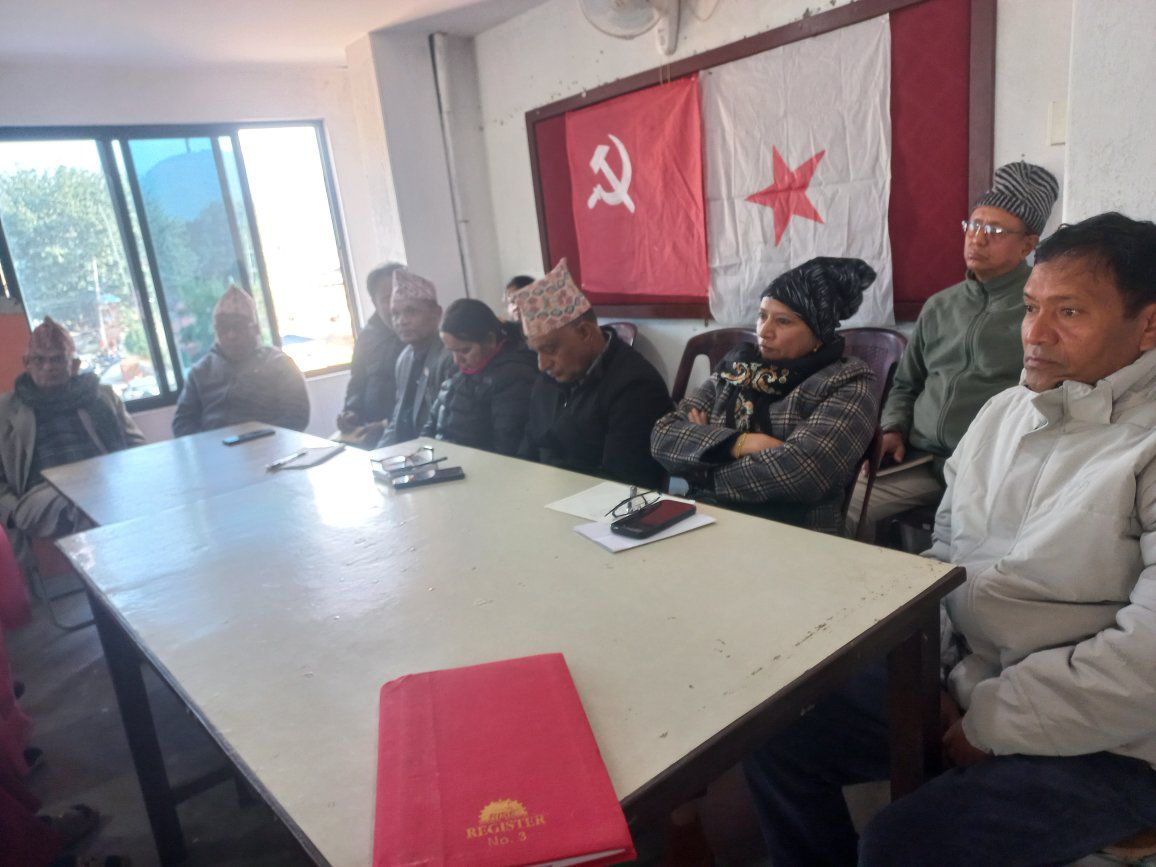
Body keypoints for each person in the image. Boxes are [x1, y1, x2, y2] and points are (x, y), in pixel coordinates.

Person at [744, 213, 1156, 866]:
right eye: (1030, 308)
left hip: (1112, 737)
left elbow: (1146, 663)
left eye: (1070, 312)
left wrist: (994, 719)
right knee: (776, 732)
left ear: (1148, 325)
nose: (1035, 334)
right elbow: (944, 556)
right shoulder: (1004, 413)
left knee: (901, 846)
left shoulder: (1143, 445)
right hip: (969, 681)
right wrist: (930, 669)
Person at [852, 161, 1059, 540]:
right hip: (919, 459)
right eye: (973, 225)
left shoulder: (1038, 310)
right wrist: (893, 427)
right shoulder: (940, 305)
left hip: (990, 467)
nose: (977, 239)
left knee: (972, 546)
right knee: (847, 506)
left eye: (994, 231)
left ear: (1029, 245)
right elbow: (906, 384)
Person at [651, 258, 878, 534]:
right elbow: (662, 436)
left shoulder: (848, 382)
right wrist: (742, 443)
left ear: (818, 333)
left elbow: (799, 474)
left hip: (794, 533)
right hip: (708, 519)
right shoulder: (739, 367)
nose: (764, 331)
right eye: (762, 315)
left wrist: (701, 461)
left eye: (783, 321)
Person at [513, 259, 671, 488]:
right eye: (536, 352)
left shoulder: (636, 387)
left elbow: (625, 485)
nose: (542, 364)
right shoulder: (549, 379)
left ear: (585, 333)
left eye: (550, 349)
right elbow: (528, 451)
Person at [0, 319, 144, 562]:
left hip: (102, 481)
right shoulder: (5, 410)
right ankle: (111, 578)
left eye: (57, 359)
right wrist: (12, 512)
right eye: (39, 360)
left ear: (74, 364)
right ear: (26, 363)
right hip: (40, 495)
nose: (48, 367)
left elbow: (137, 446)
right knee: (83, 504)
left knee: (98, 500)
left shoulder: (102, 397)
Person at [172, 285, 309, 437]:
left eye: (238, 327)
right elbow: (182, 423)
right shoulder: (200, 373)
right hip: (215, 448)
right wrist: (210, 444)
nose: (231, 335)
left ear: (255, 329)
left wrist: (260, 439)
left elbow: (298, 415)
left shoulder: (280, 364)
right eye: (223, 328)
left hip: (270, 445)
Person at [421, 298, 537, 456]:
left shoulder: (513, 376)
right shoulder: (457, 372)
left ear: (490, 340)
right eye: (451, 351)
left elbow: (506, 449)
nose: (457, 360)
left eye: (465, 350)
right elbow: (431, 426)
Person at [377, 269, 455, 448]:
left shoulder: (449, 357)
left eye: (410, 311)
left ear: (436, 314)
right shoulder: (404, 359)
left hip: (436, 451)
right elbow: (397, 422)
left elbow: (445, 428)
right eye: (395, 314)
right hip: (408, 453)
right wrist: (376, 456)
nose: (401, 321)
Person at [335, 262, 406, 447]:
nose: (394, 304)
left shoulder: (416, 336)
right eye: (386, 299)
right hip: (367, 428)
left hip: (402, 430)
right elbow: (357, 381)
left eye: (399, 294)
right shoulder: (367, 336)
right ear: (374, 302)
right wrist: (351, 412)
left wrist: (386, 424)